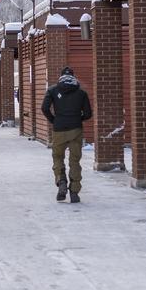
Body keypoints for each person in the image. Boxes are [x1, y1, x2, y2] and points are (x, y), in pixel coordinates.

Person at [41, 66, 92, 203]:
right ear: (73, 77)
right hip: (75, 129)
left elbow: (44, 108)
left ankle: (61, 181)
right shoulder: (81, 93)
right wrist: (77, 119)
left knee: (58, 157)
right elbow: (88, 114)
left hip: (59, 129)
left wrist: (54, 120)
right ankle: (74, 192)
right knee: (75, 161)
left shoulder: (52, 90)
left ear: (61, 76)